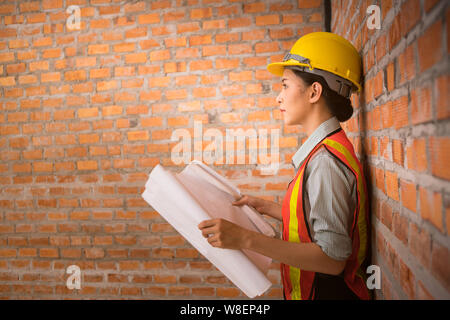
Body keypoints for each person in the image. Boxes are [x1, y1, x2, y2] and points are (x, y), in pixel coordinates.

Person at [198, 32, 371, 300]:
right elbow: (319, 216)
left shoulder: (325, 162)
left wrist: (245, 238)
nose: (278, 97)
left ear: (314, 91)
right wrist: (266, 208)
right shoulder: (324, 150)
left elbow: (332, 259)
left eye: (285, 85)